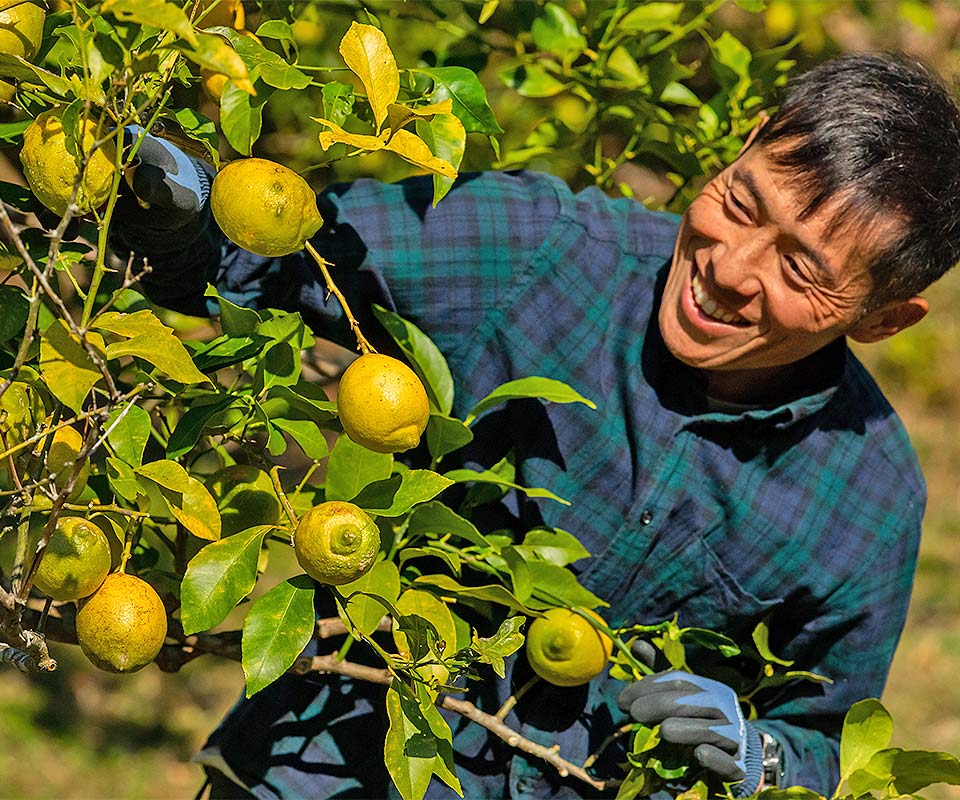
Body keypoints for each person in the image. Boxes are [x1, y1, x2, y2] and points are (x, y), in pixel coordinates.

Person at [111, 52, 960, 799]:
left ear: (884, 320)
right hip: (323, 771)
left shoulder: (868, 500)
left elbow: (828, 746)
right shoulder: (542, 253)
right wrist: (165, 191)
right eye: (741, 205)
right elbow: (257, 261)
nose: (730, 269)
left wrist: (761, 756)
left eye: (801, 269)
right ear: (748, 138)